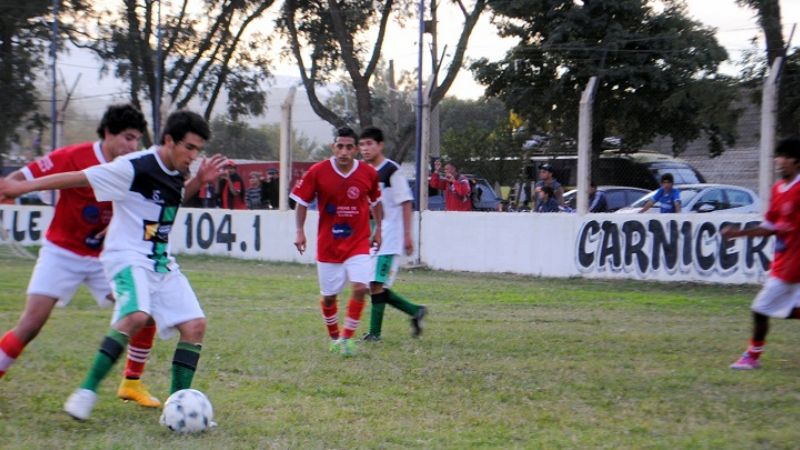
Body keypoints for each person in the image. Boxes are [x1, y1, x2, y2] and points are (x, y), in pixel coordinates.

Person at [0, 110, 225, 420]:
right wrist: (19, 187)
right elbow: (77, 178)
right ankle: (86, 391)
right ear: (170, 141)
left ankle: (174, 404)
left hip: (158, 260)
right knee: (133, 314)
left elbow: (169, 201)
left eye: (198, 150)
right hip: (122, 256)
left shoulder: (177, 171)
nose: (193, 155)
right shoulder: (133, 167)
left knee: (195, 325)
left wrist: (198, 181)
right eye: (189, 147)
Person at [0, 104, 163, 408]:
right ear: (108, 133)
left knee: (145, 313)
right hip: (62, 252)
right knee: (31, 323)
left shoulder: (134, 167)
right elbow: (29, 173)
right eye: (127, 138)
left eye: (136, 140)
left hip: (106, 259)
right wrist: (12, 187)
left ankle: (131, 383)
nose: (132, 146)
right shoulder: (74, 156)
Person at [291, 127, 383, 356]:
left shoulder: (368, 173)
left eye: (349, 147)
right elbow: (301, 202)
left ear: (356, 149)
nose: (344, 151)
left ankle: (346, 339)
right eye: (340, 146)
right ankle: (334, 337)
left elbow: (376, 202)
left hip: (358, 241)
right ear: (333, 147)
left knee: (361, 287)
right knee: (330, 296)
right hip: (329, 244)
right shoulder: (318, 171)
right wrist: (299, 231)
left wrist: (379, 229)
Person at [722, 137, 800, 370]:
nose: (779, 161)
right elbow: (770, 227)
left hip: (795, 264)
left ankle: (752, 356)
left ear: (797, 161)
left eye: (784, 157)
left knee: (760, 308)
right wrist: (738, 233)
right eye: (778, 156)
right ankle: (752, 356)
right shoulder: (778, 190)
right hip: (784, 262)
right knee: (770, 309)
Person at [358, 126, 427, 342]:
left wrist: (407, 235)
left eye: (369, 144)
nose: (365, 148)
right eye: (362, 144)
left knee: (375, 284)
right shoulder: (365, 172)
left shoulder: (391, 170)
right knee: (371, 285)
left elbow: (406, 202)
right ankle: (415, 311)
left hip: (392, 236)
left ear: (380, 145)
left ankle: (375, 334)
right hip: (377, 236)